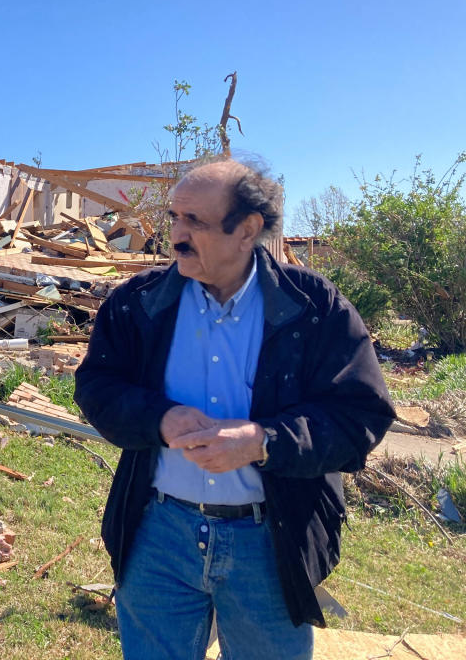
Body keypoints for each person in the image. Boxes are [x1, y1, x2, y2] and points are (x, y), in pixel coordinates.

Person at [74, 159, 394, 660]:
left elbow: (360, 416)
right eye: (174, 218)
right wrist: (158, 418)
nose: (176, 235)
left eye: (194, 222)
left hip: (269, 542)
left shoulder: (313, 309)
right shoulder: (139, 303)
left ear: (248, 230)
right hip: (159, 536)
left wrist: (262, 442)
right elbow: (96, 386)